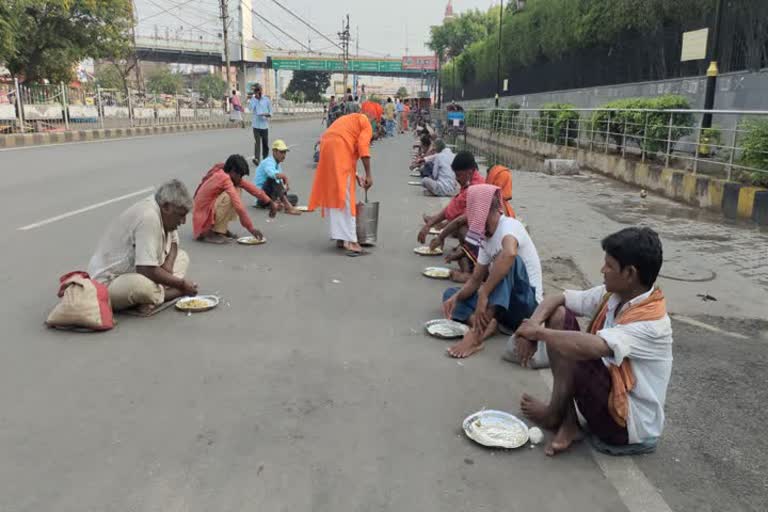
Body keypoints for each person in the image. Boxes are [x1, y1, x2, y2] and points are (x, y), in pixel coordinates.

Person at [515, 227, 671, 457]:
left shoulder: (652, 323)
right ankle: (565, 419)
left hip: (627, 427)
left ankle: (559, 416)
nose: (602, 270)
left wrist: (538, 334)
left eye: (609, 265)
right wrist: (533, 327)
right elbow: (558, 298)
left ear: (629, 273)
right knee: (558, 315)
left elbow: (591, 347)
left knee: (577, 348)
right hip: (607, 396)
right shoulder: (615, 295)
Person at [442, 184, 543, 358]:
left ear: (494, 211)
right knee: (450, 295)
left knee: (507, 262)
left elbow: (510, 254)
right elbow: (475, 280)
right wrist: (457, 298)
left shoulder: (510, 227)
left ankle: (477, 335)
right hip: (503, 308)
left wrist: (484, 293)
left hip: (526, 306)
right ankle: (489, 323)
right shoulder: (486, 238)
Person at [87, 180, 198, 316]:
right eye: (180, 215)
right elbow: (145, 269)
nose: (183, 221)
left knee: (182, 257)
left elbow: (174, 241)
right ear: (166, 207)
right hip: (109, 281)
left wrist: (168, 266)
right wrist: (181, 286)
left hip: (144, 270)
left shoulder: (164, 210)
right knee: (144, 287)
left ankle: (155, 294)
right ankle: (165, 294)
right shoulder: (149, 217)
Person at [308, 112, 374, 256]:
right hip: (338, 145)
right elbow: (363, 147)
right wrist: (369, 174)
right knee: (346, 195)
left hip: (327, 143)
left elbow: (348, 156)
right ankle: (350, 241)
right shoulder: (367, 125)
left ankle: (340, 237)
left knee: (336, 192)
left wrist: (356, 175)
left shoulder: (351, 120)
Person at [192, 154, 277, 244]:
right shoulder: (224, 178)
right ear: (233, 171)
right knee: (231, 196)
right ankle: (209, 233)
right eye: (240, 175)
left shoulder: (225, 172)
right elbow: (239, 206)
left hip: (205, 211)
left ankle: (220, 229)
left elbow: (252, 189)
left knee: (237, 190)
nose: (241, 179)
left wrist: (269, 202)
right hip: (202, 218)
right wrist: (251, 228)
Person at [418, 151, 485, 244]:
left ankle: (468, 252)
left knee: (461, 230)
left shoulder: (477, 188)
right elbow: (452, 207)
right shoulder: (468, 181)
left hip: (483, 232)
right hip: (469, 221)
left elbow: (461, 219)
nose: (456, 179)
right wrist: (429, 225)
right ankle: (441, 224)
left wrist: (441, 237)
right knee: (453, 226)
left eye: (458, 175)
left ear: (469, 173)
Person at [253, 139, 302, 215]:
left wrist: (284, 189)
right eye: (281, 152)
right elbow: (273, 175)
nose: (284, 155)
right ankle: (287, 207)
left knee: (294, 198)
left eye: (285, 152)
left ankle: (276, 203)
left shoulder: (277, 164)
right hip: (261, 197)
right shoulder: (268, 162)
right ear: (274, 151)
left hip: (271, 195)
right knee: (272, 179)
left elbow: (279, 184)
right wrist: (284, 177)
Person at [249, 84, 272, 165]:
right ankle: (257, 159)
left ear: (261, 90)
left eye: (259, 90)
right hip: (256, 125)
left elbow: (271, 112)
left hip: (264, 125)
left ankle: (265, 158)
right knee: (257, 142)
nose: (258, 92)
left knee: (265, 143)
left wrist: (266, 114)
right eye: (256, 91)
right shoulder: (253, 99)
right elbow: (250, 108)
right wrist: (255, 99)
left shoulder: (267, 100)